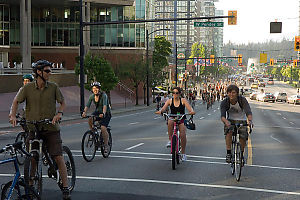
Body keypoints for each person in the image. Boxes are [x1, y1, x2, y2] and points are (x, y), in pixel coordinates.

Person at [9, 60, 71, 199]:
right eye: (47, 71)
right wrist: (13, 115)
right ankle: (30, 187)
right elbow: (16, 101)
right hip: (33, 128)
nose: (50, 73)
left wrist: (59, 113)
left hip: (51, 128)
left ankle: (66, 187)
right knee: (32, 158)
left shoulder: (53, 87)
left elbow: (63, 103)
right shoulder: (28, 88)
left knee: (58, 156)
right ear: (39, 72)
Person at [155, 87, 195, 161]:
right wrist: (161, 111)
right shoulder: (170, 101)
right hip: (172, 117)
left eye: (176, 93)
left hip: (181, 118)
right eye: (173, 93)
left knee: (182, 134)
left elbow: (190, 109)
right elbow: (163, 108)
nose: (175, 94)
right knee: (170, 122)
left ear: (179, 94)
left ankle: (183, 153)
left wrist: (191, 111)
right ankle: (170, 140)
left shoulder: (183, 100)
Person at [220, 84, 253, 164]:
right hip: (230, 120)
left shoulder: (242, 100)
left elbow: (248, 111)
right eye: (230, 92)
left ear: (237, 93)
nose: (231, 94)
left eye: (234, 92)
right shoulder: (225, 102)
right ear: (227, 93)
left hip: (242, 121)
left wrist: (250, 120)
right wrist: (226, 122)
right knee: (228, 132)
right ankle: (228, 153)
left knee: (243, 137)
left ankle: (241, 155)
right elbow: (222, 116)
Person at [82, 81, 111, 153]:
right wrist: (84, 112)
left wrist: (103, 114)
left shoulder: (104, 95)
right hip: (98, 111)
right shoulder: (92, 96)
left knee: (103, 128)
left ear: (99, 89)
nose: (95, 90)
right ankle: (93, 132)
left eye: (97, 88)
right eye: (94, 88)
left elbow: (105, 106)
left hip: (106, 113)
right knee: (90, 119)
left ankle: (106, 145)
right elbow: (87, 105)